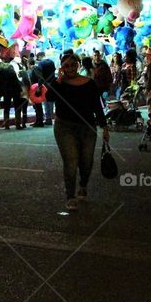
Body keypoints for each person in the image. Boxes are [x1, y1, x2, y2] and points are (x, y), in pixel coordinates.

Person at [46, 53, 108, 211]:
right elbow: (49, 96)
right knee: (71, 161)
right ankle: (70, 196)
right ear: (62, 68)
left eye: (73, 65)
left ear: (78, 65)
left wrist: (104, 126)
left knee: (86, 162)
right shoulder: (59, 83)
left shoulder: (89, 83)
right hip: (64, 127)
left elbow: (97, 105)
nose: (70, 69)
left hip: (87, 126)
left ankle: (83, 185)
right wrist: (58, 80)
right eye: (66, 66)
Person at [0, 46, 25, 129]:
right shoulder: (11, 67)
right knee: (17, 106)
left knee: (6, 107)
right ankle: (18, 124)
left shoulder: (0, 69)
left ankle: (6, 124)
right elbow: (16, 79)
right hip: (15, 89)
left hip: (6, 90)